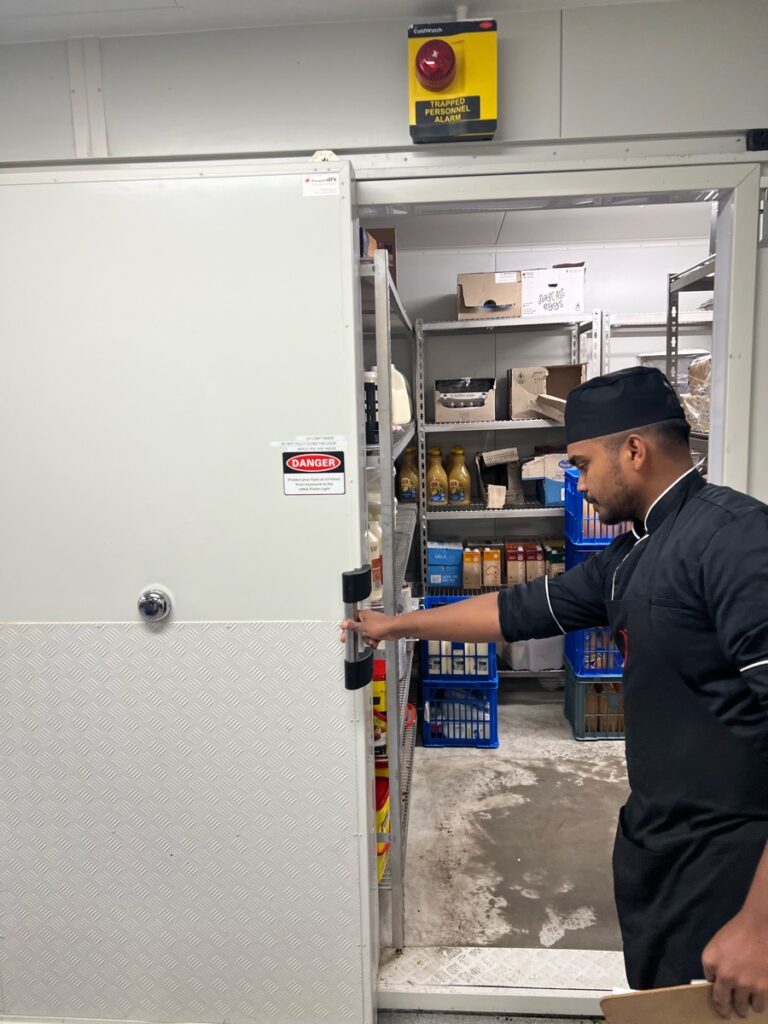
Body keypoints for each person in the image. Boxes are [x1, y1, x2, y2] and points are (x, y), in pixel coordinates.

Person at [342, 366, 768, 1019]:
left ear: (634, 450)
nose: (579, 483)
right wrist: (396, 626)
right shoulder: (634, 550)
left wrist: (759, 926)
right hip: (662, 845)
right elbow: (519, 610)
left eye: (582, 463)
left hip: (731, 862)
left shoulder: (737, 541)